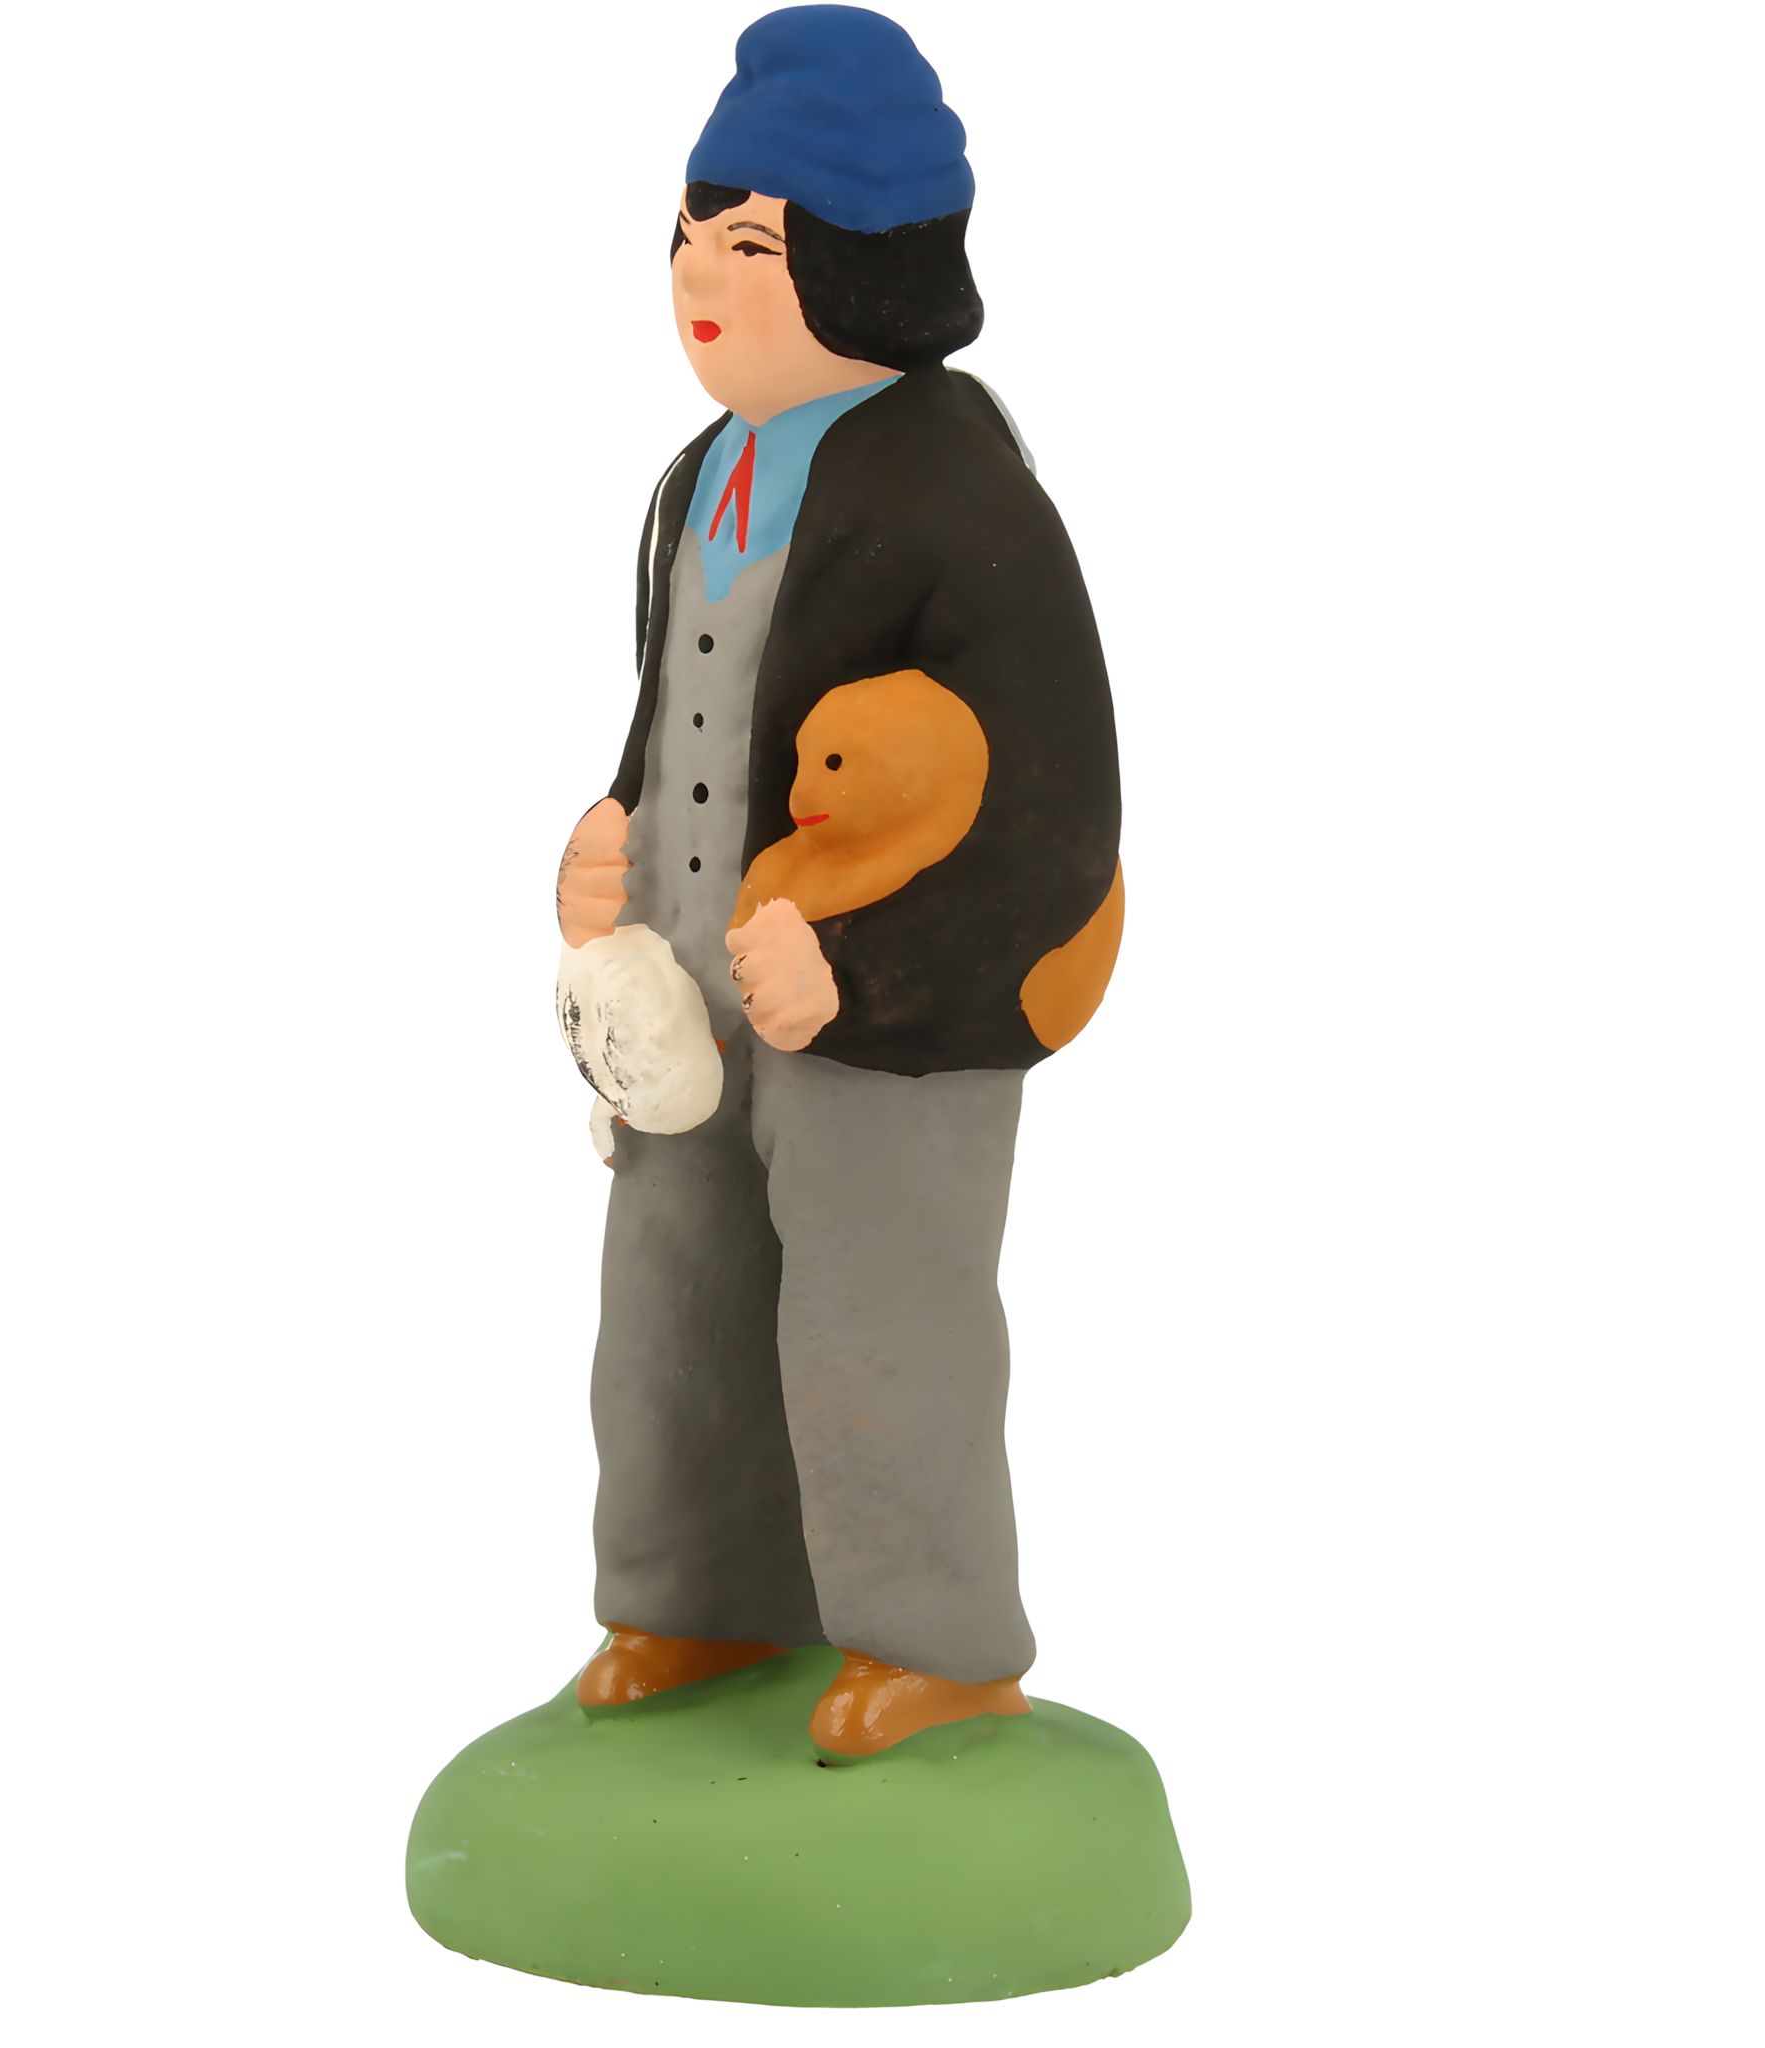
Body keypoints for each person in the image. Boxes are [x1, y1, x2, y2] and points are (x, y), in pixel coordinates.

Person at [554, 4, 1123, 1759]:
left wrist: (866, 966)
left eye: (753, 245)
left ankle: (938, 1642)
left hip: (883, 1010)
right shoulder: (700, 477)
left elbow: (1059, 806)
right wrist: (613, 836)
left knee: (882, 1321)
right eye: (691, 232)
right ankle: (698, 1597)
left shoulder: (966, 495)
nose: (699, 279)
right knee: (672, 1304)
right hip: (688, 984)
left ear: (869, 265)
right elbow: (682, 704)